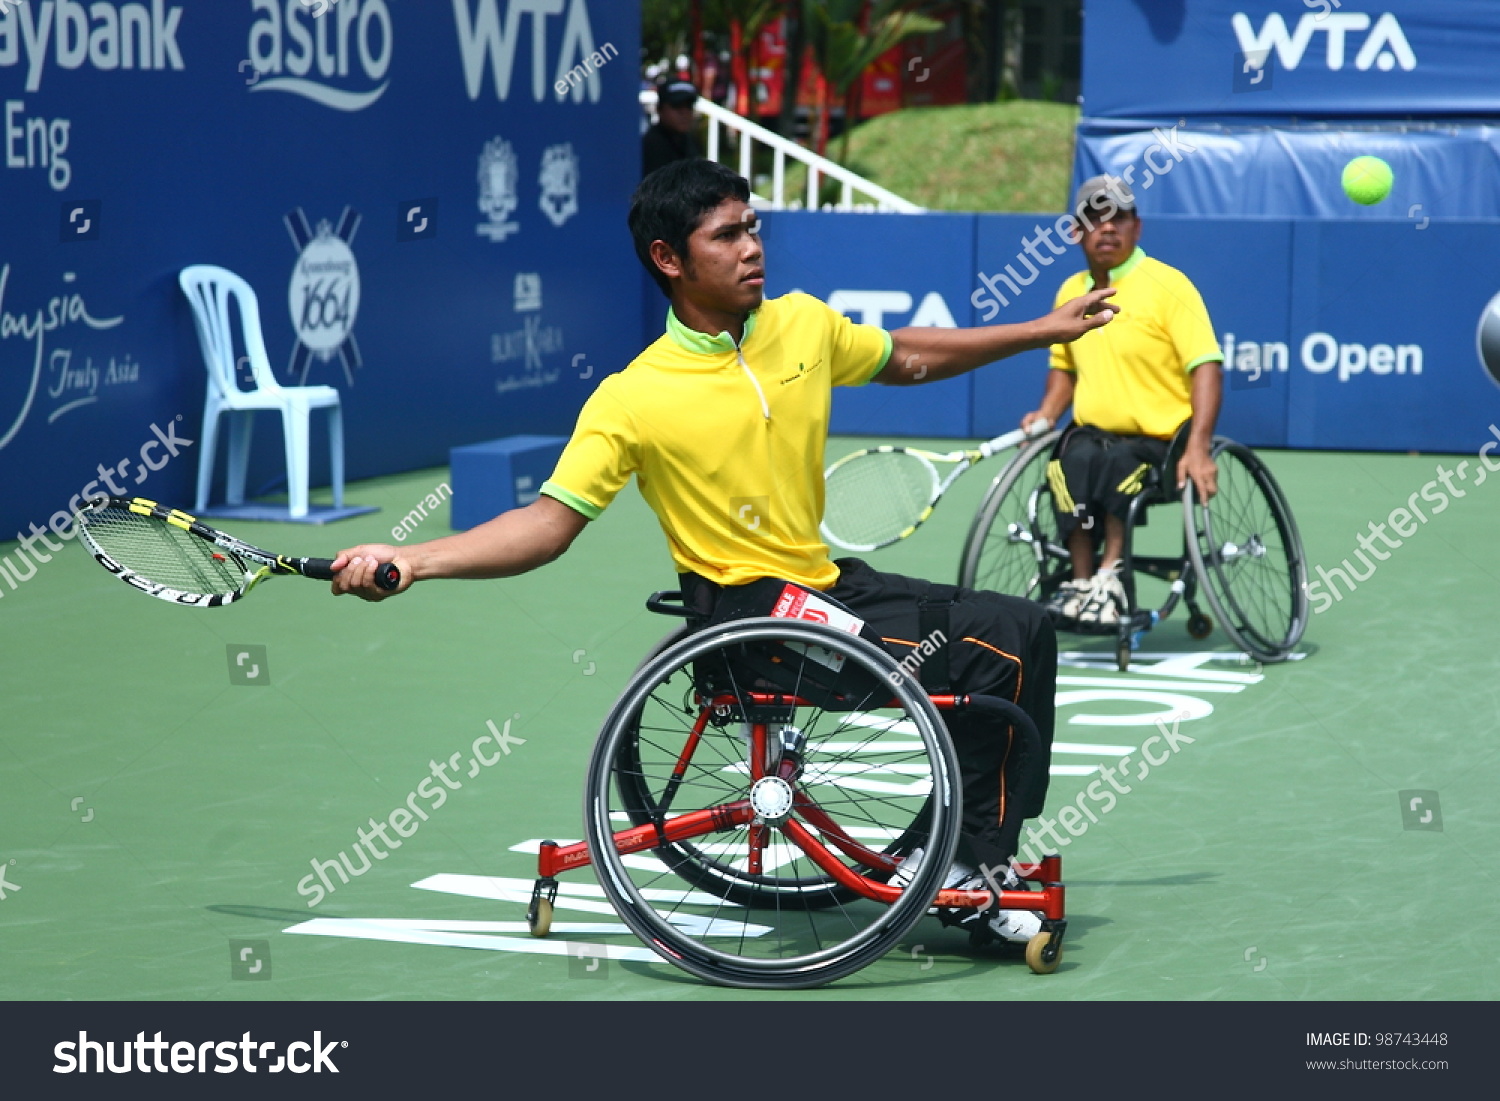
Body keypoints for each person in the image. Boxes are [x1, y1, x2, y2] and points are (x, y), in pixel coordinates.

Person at [332, 160, 1118, 946]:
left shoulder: (802, 325)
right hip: (753, 619)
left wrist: (1043, 331)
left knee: (1027, 627)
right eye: (727, 234)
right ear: (670, 258)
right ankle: (966, 868)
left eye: (753, 228)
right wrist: (417, 557)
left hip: (828, 587)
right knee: (987, 659)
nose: (753, 248)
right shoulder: (633, 396)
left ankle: (973, 853)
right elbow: (546, 524)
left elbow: (908, 356)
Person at [1021, 175, 1224, 627]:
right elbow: (1064, 370)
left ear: (1137, 227)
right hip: (1092, 436)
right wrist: (1046, 415)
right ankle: (1081, 584)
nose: (1107, 228)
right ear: (1077, 232)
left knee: (1117, 466)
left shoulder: (1169, 286)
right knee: (1066, 465)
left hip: (1160, 443)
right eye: (1095, 218)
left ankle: (1110, 577)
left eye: (1118, 217)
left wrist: (1199, 447)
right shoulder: (1069, 293)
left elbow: (1206, 367)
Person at [642, 78, 701, 178]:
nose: (684, 113)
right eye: (677, 106)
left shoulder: (690, 141)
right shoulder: (651, 146)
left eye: (689, 106)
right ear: (659, 109)